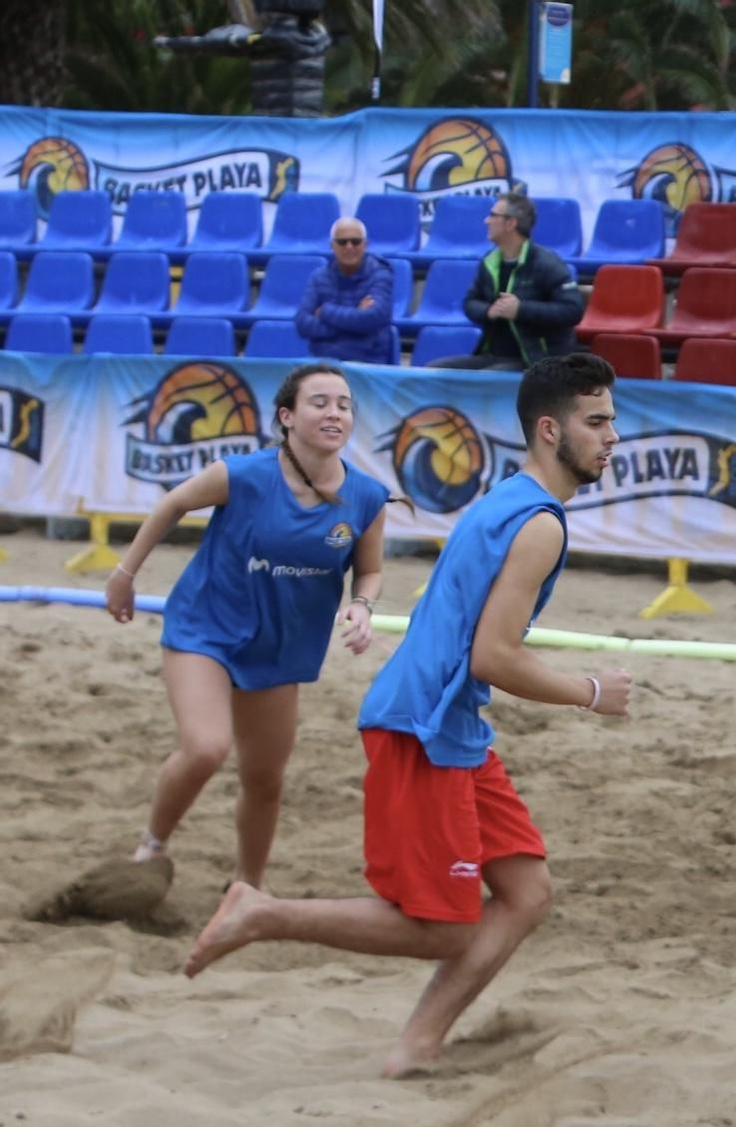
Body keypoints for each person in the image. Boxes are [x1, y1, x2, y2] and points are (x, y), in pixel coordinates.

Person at [182, 353, 636, 1079]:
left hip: (450, 725)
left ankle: (417, 1043)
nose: (613, 435)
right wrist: (588, 690)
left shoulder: (511, 498)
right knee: (441, 926)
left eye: (612, 419)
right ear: (551, 430)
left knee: (525, 892)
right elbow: (493, 656)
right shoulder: (539, 525)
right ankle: (262, 912)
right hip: (423, 727)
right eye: (598, 421)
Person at [107, 362, 389, 891]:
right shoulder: (243, 475)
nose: (335, 412)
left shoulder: (368, 496)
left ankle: (248, 886)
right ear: (287, 416)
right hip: (205, 628)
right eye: (320, 402)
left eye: (344, 404)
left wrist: (362, 606)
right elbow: (171, 504)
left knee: (265, 778)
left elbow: (369, 570)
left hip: (280, 645)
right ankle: (151, 845)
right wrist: (125, 575)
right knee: (207, 748)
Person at [430, 192, 584, 372]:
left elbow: (572, 310)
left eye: (493, 215)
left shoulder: (548, 263)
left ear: (511, 223)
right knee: (435, 371)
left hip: (536, 359)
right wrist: (489, 311)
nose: (486, 221)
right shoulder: (490, 261)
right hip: (493, 355)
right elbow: (470, 302)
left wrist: (520, 310)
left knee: (486, 379)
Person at [293, 217, 399, 365]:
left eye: (355, 241)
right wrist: (355, 322)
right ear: (332, 246)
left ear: (365, 244)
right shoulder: (318, 277)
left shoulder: (381, 274)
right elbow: (302, 323)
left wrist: (325, 312)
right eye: (342, 242)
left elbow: (373, 318)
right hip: (322, 364)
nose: (349, 247)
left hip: (367, 364)